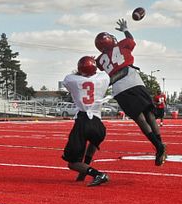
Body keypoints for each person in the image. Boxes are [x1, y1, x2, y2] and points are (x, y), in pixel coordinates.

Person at [94, 19, 166, 165]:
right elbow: (131, 41)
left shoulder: (100, 59)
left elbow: (101, 67)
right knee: (149, 115)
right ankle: (160, 145)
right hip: (134, 81)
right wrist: (125, 29)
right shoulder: (121, 45)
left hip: (120, 89)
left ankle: (159, 147)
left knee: (140, 119)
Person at [61, 55, 111, 187]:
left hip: (83, 121)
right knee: (93, 141)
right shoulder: (104, 78)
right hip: (98, 124)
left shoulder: (71, 80)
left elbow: (71, 79)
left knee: (72, 163)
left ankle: (96, 174)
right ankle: (85, 168)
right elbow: (102, 73)